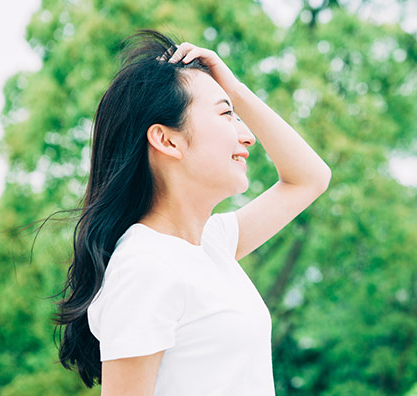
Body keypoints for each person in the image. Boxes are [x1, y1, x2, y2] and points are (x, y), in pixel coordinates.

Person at [53, 29, 331, 395]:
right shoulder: (144, 267)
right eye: (226, 114)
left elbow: (310, 178)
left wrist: (235, 90)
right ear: (167, 140)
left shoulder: (211, 245)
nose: (246, 136)